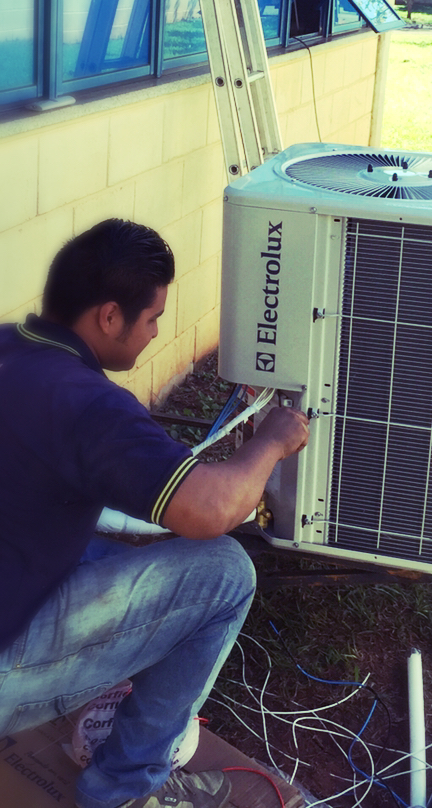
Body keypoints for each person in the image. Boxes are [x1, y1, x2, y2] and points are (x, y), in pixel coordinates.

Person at [0, 219, 310, 808]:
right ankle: (123, 789)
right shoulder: (86, 403)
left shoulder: (11, 345)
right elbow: (211, 510)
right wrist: (272, 440)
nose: (156, 333)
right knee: (224, 573)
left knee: (110, 543)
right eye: (152, 319)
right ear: (109, 317)